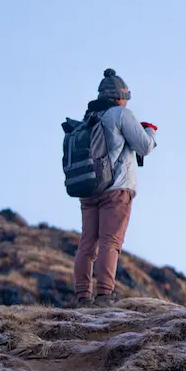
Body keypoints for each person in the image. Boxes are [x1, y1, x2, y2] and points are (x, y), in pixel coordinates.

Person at [73, 68, 157, 306]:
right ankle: (104, 295)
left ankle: (82, 296)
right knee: (110, 242)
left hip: (89, 189)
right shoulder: (120, 114)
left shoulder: (89, 117)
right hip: (117, 189)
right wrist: (149, 130)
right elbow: (144, 147)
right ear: (119, 97)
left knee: (87, 244)